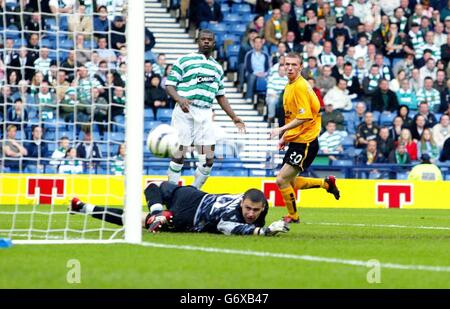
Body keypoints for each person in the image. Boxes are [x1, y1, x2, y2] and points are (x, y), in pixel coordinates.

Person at [165, 30, 245, 189]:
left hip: (205, 113)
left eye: (209, 39)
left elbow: (220, 96)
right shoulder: (185, 60)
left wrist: (234, 117)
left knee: (208, 160)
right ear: (198, 41)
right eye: (203, 39)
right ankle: (171, 191)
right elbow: (170, 85)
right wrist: (179, 99)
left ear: (214, 43)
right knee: (180, 153)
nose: (206, 42)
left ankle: (194, 191)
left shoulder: (217, 68)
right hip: (184, 111)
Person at [269, 52, 340, 224]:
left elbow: (304, 116)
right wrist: (286, 137)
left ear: (301, 67)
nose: (290, 67)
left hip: (306, 142)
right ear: (283, 66)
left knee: (281, 180)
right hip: (298, 139)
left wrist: (281, 130)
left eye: (294, 64)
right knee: (290, 182)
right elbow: (292, 116)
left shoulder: (300, 86)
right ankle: (326, 184)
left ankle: (293, 216)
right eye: (287, 64)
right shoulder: (289, 86)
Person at [70, 181, 289, 236]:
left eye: (255, 211)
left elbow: (252, 221)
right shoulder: (231, 215)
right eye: (248, 208)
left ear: (263, 208)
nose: (251, 214)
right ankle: (160, 215)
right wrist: (264, 231)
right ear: (242, 202)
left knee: (153, 187)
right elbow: (231, 227)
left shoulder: (261, 205)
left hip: (192, 193)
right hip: (188, 215)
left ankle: (81, 207)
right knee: (140, 219)